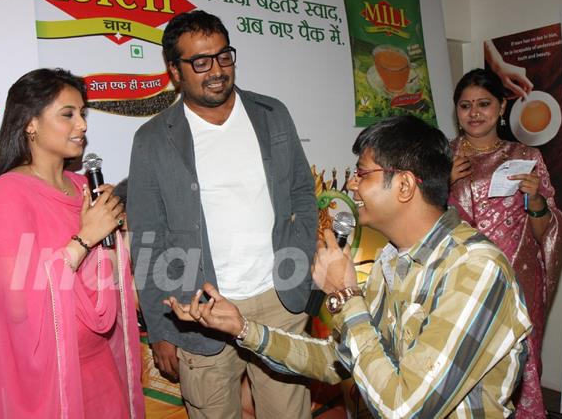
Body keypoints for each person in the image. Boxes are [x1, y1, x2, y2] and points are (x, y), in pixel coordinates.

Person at [165, 115, 532, 418]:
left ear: (404, 185)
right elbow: (337, 361)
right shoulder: (391, 259)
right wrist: (243, 328)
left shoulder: (475, 269)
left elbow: (405, 409)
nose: (352, 186)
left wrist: (346, 294)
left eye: (363, 173)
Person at [127, 10, 318, 418]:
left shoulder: (272, 115)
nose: (215, 70)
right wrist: (161, 331)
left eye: (223, 56)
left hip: (278, 301)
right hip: (200, 313)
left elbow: (303, 192)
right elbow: (147, 238)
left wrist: (300, 265)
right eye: (199, 62)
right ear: (175, 71)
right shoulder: (151, 141)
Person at [0, 68, 144, 418]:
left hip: (100, 370)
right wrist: (85, 238)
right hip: (47, 383)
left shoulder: (84, 189)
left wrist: (114, 235)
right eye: (67, 114)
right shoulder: (6, 196)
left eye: (82, 114)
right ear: (30, 124)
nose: (81, 125)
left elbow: (107, 284)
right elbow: (18, 306)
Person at [449, 68, 562, 418]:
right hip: (461, 278)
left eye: (484, 104)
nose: (474, 113)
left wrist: (537, 201)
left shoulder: (527, 157)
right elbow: (419, 217)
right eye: (465, 105)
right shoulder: (442, 156)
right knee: (464, 361)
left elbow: (548, 228)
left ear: (502, 107)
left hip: (517, 277)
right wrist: (442, 182)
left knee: (517, 362)